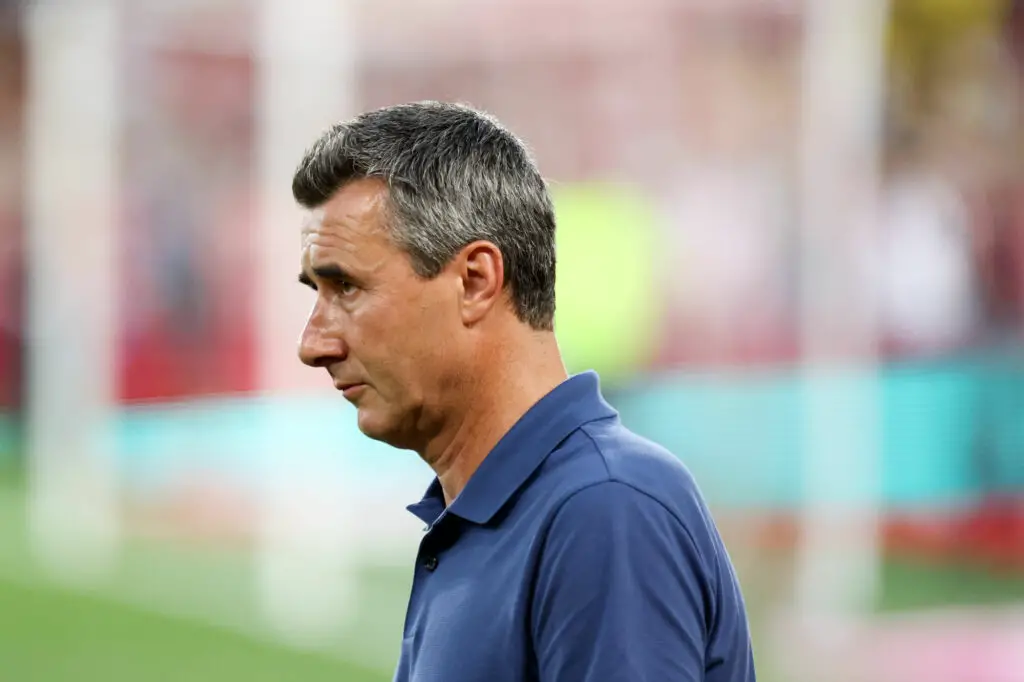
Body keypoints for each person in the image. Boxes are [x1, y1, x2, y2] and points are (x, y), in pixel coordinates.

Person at [292, 101, 756, 682]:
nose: (313, 344)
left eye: (346, 288)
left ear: (475, 281)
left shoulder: (605, 508)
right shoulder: (487, 514)